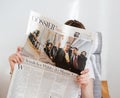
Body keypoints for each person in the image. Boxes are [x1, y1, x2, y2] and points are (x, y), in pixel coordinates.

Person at [9, 20, 94, 98]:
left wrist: (85, 86)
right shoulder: (56, 52)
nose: (69, 44)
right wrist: (15, 69)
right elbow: (23, 90)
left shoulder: (85, 62)